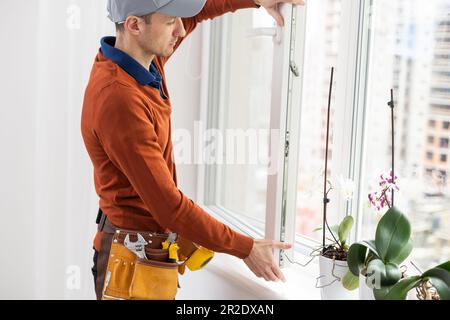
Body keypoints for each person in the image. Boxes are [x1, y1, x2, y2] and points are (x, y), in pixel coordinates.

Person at [81, 0, 303, 300]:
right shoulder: (120, 100)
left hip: (147, 252)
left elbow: (198, 12)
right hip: (130, 264)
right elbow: (170, 208)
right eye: (171, 21)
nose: (182, 29)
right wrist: (246, 248)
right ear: (134, 25)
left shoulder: (140, 61)